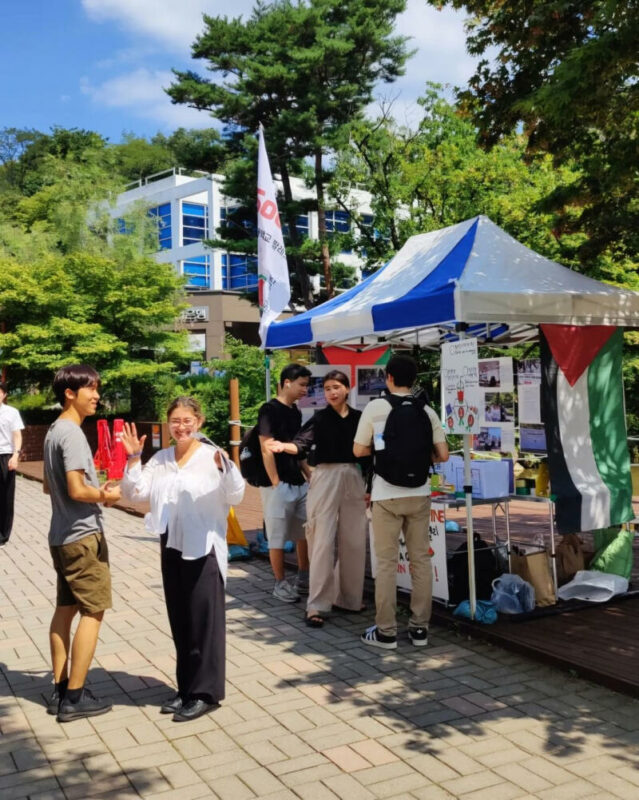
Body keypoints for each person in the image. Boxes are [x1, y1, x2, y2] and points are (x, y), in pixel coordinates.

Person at [120, 397, 244, 722]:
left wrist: (225, 468)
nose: (181, 426)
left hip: (204, 547)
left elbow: (236, 495)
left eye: (187, 420)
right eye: (175, 420)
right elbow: (134, 493)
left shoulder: (211, 456)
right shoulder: (161, 459)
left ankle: (206, 692)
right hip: (171, 544)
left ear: (199, 421)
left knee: (205, 622)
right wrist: (134, 457)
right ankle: (186, 688)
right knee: (181, 620)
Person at [353, 354, 449, 650]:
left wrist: (385, 455)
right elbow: (443, 454)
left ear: (389, 378)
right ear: (415, 379)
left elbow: (358, 451)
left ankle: (386, 632)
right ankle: (420, 629)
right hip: (419, 494)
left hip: (385, 494)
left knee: (386, 563)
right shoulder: (427, 411)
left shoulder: (375, 407)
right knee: (421, 560)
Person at [43, 365, 121, 722]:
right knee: (94, 610)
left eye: (97, 389)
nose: (97, 396)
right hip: (82, 537)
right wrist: (104, 495)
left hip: (60, 536)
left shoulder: (53, 431)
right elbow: (76, 489)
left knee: (65, 610)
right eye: (90, 389)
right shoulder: (72, 433)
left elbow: (49, 487)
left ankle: (61, 689)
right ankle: (74, 698)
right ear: (69, 393)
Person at [266, 370, 369, 627]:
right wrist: (283, 446)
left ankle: (349, 598)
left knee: (354, 540)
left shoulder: (360, 418)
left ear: (347, 388)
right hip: (324, 476)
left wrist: (370, 485)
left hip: (354, 478)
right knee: (321, 540)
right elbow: (300, 443)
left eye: (336, 387)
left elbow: (370, 453)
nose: (331, 392)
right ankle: (317, 605)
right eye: (327, 388)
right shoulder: (320, 418)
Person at [258, 364, 311, 603]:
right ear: (287, 382)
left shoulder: (296, 412)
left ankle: (304, 576)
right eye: (302, 384)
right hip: (277, 485)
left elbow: (297, 447)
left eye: (306, 385)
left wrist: (308, 474)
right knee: (277, 536)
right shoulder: (269, 409)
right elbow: (266, 447)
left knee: (304, 531)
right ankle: (280, 583)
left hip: (298, 482)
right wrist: (275, 482)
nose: (305, 390)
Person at [0, 381, 24, 547]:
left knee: (6, 496)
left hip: (5, 456)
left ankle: (3, 534)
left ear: (4, 394)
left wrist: (15, 455)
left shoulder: (11, 412)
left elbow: (17, 436)